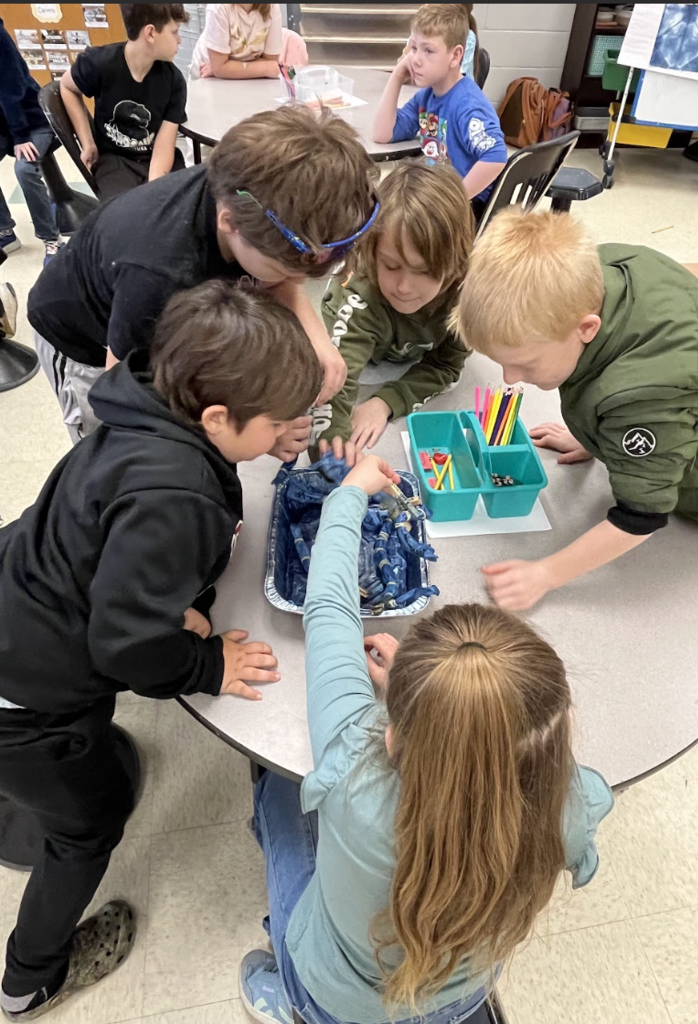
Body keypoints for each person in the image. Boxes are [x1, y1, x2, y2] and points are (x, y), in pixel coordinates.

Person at [0, 279, 323, 1023]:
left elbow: (106, 537)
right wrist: (205, 665)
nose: (287, 432)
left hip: (17, 596)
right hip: (26, 695)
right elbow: (126, 651)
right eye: (277, 422)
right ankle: (28, 980)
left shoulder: (141, 401)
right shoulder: (177, 500)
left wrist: (164, 596)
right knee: (88, 821)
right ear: (216, 415)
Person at [239, 440, 614, 1024]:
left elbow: (330, 610)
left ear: (392, 734)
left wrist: (347, 496)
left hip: (336, 998)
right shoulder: (572, 803)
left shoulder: (352, 776)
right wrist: (443, 714)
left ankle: (291, 1003)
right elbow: (530, 764)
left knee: (277, 787)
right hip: (458, 999)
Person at [452, 209, 698, 611]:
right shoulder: (606, 268)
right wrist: (598, 439)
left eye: (526, 363)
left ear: (586, 328)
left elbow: (641, 517)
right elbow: (618, 357)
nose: (509, 378)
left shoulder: (646, 396)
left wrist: (545, 574)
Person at [28, 104, 377, 443]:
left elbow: (286, 272)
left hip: (142, 306)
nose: (294, 282)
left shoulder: (249, 190)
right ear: (229, 223)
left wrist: (317, 336)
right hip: (84, 343)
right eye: (281, 270)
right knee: (110, 450)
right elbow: (123, 396)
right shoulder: (160, 273)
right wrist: (255, 436)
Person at [311, 163, 475, 456]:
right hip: (353, 323)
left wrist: (385, 401)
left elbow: (447, 366)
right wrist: (330, 453)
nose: (403, 286)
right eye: (391, 265)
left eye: (423, 271)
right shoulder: (359, 297)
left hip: (403, 347)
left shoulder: (466, 294)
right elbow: (337, 379)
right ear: (372, 252)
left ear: (452, 267)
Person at [374, 3, 506, 218]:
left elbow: (496, 156)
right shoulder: (426, 97)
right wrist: (397, 76)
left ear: (455, 56)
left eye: (428, 51)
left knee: (390, 216)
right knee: (384, 205)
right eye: (414, 48)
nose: (415, 59)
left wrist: (454, 200)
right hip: (436, 192)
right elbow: (383, 134)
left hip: (464, 209)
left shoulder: (467, 105)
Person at [60, 4, 189, 200]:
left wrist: (153, 190)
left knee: (172, 209)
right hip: (114, 161)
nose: (179, 40)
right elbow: (66, 86)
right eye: (175, 32)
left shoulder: (174, 80)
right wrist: (87, 142)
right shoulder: (99, 62)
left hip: (158, 159)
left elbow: (165, 144)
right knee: (122, 214)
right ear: (151, 33)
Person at [0, 17, 63, 263]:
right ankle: (5, 231)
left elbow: (10, 90)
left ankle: (52, 239)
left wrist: (20, 135)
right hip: (7, 126)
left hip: (32, 122)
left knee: (25, 169)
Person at [191, 3, 282, 80]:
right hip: (207, 74)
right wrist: (265, 68)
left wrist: (229, 69)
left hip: (246, 76)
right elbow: (219, 68)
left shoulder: (272, 7)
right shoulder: (218, 7)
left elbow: (271, 61)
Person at [404, 3, 478, 81]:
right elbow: (405, 66)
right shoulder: (426, 29)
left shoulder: (468, 37)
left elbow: (455, 78)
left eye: (428, 50)